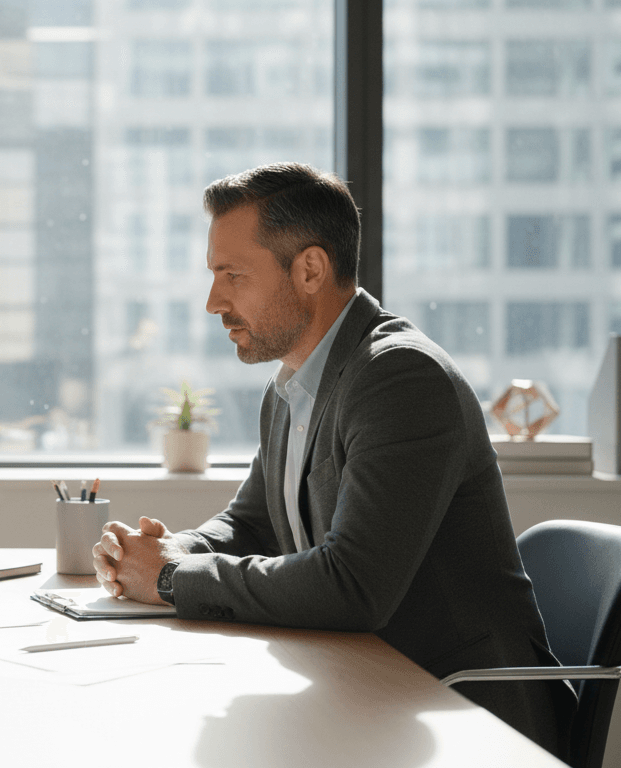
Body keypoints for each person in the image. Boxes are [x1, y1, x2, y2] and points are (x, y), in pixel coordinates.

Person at [92, 163, 575, 759]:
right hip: (368, 690)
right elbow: (254, 523)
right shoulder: (292, 385)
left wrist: (169, 579)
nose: (214, 301)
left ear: (310, 269)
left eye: (232, 275)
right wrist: (174, 551)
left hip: (458, 714)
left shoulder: (400, 378)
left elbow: (353, 586)